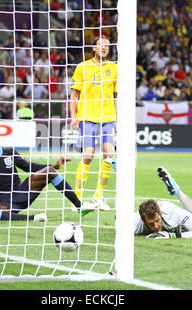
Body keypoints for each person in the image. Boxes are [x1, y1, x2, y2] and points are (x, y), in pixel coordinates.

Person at [0, 133, 99, 221]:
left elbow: (29, 167)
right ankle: (33, 218)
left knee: (49, 171)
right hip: (1, 203)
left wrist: (54, 165)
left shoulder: (9, 153)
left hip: (20, 193)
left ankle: (79, 206)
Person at [69, 35, 117, 210]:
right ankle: (77, 199)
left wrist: (117, 118)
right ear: (94, 48)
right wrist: (74, 116)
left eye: (107, 45)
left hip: (108, 117)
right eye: (100, 45)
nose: (104, 47)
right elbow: (74, 94)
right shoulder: (82, 67)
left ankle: (99, 197)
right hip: (87, 116)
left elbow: (117, 96)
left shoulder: (114, 68)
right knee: (88, 156)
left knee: (109, 155)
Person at [134, 167, 192, 239]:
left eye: (157, 220)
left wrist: (171, 235)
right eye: (151, 224)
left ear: (160, 213)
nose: (156, 226)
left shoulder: (174, 213)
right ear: (143, 221)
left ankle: (178, 191)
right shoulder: (135, 225)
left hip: (169, 211)